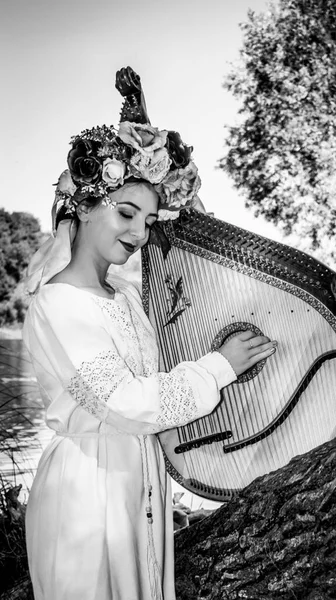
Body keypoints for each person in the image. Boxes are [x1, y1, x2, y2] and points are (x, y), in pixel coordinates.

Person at [22, 67, 277, 600]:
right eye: (126, 213)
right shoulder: (56, 303)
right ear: (85, 206)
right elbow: (122, 402)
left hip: (140, 487)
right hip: (86, 498)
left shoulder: (130, 299)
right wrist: (220, 366)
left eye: (149, 219)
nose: (139, 232)